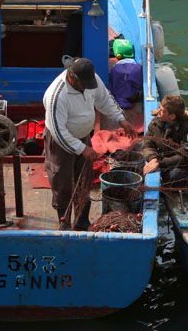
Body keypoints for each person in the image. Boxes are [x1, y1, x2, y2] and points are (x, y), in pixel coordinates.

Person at [43, 57, 137, 229]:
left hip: (83, 135)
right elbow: (59, 132)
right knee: (62, 183)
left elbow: (104, 99)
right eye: (84, 84)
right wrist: (82, 149)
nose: (87, 87)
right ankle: (64, 223)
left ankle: (82, 221)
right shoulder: (57, 95)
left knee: (84, 179)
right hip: (61, 141)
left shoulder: (91, 80)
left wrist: (121, 119)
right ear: (72, 78)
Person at [142, 95, 188, 186]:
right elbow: (147, 144)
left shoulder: (187, 129)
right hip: (162, 161)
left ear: (172, 116)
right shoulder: (155, 123)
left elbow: (185, 156)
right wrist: (152, 158)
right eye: (160, 108)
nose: (159, 112)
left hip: (182, 164)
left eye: (162, 111)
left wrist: (160, 163)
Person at [108, 39, 143, 109]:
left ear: (117, 55)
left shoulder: (114, 70)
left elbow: (111, 86)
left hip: (120, 96)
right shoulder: (139, 67)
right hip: (135, 97)